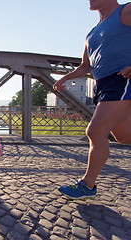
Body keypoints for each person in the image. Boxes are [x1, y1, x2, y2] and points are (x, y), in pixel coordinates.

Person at [53, 0, 131, 200]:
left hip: (122, 79)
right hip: (102, 86)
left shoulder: (126, 10)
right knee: (124, 136)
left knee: (95, 131)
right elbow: (85, 66)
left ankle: (87, 186)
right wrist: (66, 77)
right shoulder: (91, 33)